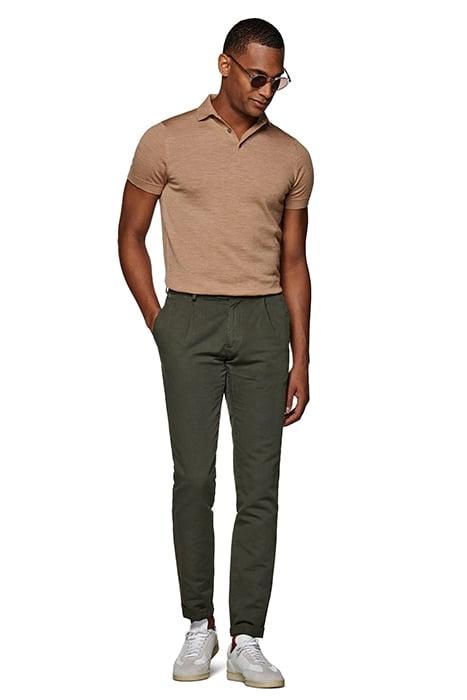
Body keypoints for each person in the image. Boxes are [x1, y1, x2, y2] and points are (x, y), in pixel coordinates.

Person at [118, 17, 314, 689]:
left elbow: (295, 261)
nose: (267, 90)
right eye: (257, 76)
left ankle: (246, 637)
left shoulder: (292, 156)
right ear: (225, 65)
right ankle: (198, 624)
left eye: (277, 80)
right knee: (194, 480)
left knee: (260, 488)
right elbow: (129, 235)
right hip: (190, 319)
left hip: (263, 323)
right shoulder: (165, 139)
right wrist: (161, 323)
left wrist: (301, 357)